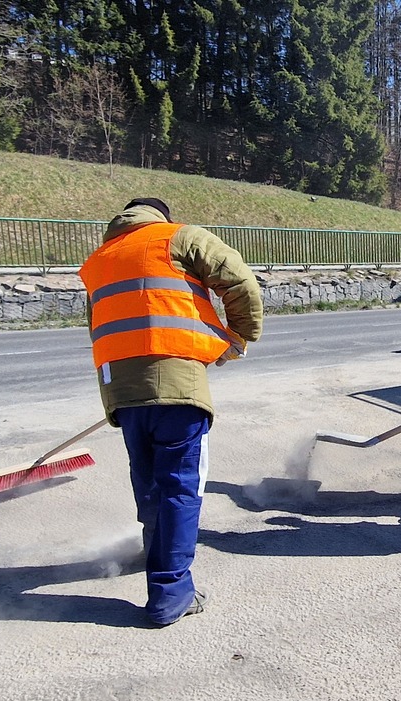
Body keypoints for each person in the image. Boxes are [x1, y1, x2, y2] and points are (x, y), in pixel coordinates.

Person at [78, 198, 263, 626]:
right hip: (179, 389)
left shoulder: (99, 261)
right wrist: (239, 337)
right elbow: (240, 282)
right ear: (161, 216)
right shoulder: (179, 237)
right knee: (181, 487)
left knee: (149, 485)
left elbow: (98, 326)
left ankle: (156, 555)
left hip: (122, 393)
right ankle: (170, 593)